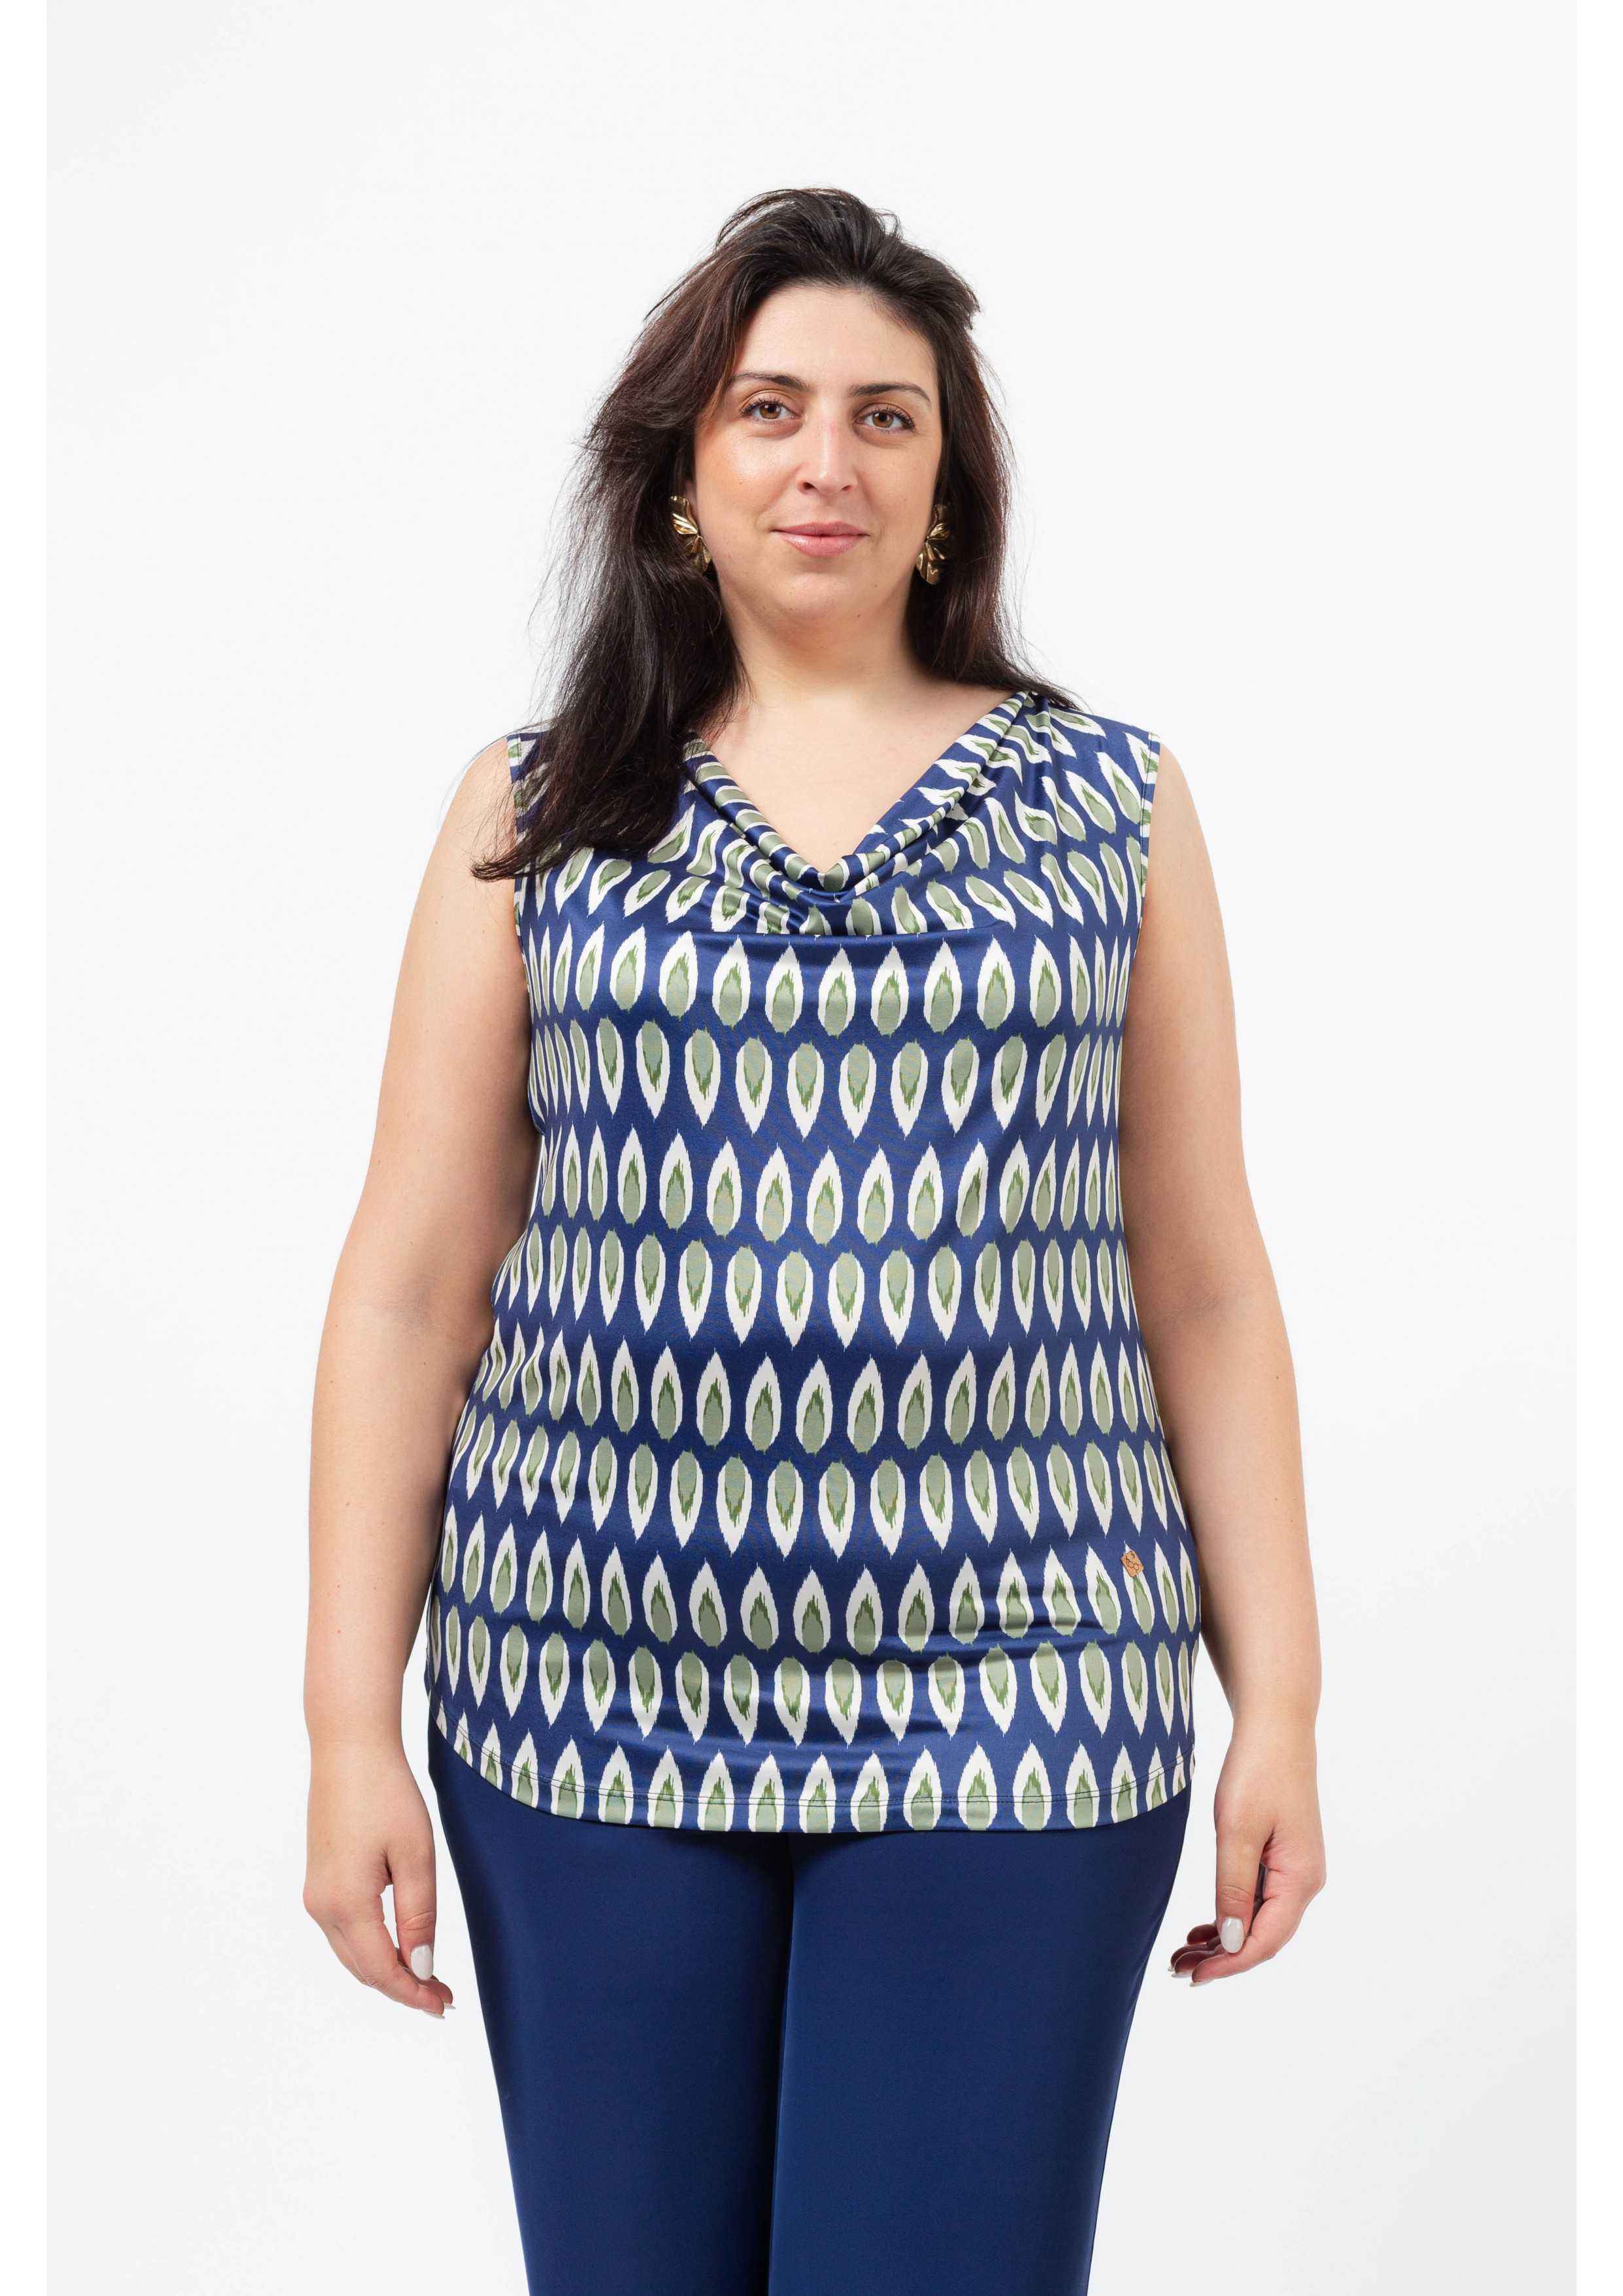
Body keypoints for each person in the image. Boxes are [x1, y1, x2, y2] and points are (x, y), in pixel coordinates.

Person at [302, 185, 1326, 2296]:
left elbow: (1205, 1282)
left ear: (949, 487)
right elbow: (411, 1283)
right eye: (769, 409)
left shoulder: (1113, 807)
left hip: (1025, 1680)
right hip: (580, 1689)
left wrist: (1283, 1702)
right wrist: (345, 1727)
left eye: (886, 416)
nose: (826, 460)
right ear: (683, 475)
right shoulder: (539, 808)